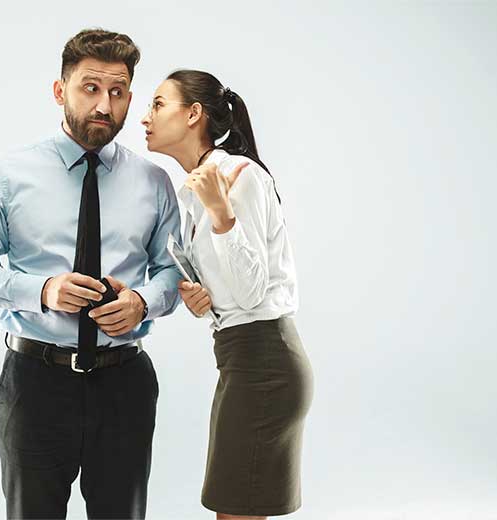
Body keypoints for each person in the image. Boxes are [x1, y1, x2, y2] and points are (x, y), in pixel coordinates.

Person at [0, 28, 182, 519]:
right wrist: (43, 290)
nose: (105, 104)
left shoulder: (155, 182)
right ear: (61, 91)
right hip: (35, 383)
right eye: (91, 88)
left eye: (118, 92)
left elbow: (171, 274)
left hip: (124, 383)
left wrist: (142, 301)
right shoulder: (9, 174)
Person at [140, 70, 314, 518]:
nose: (145, 118)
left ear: (193, 113)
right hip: (240, 358)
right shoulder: (197, 187)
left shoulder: (239, 176)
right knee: (233, 508)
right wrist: (203, 299)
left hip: (265, 361)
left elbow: (253, 292)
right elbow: (234, 291)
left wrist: (222, 215)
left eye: (158, 104)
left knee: (236, 510)